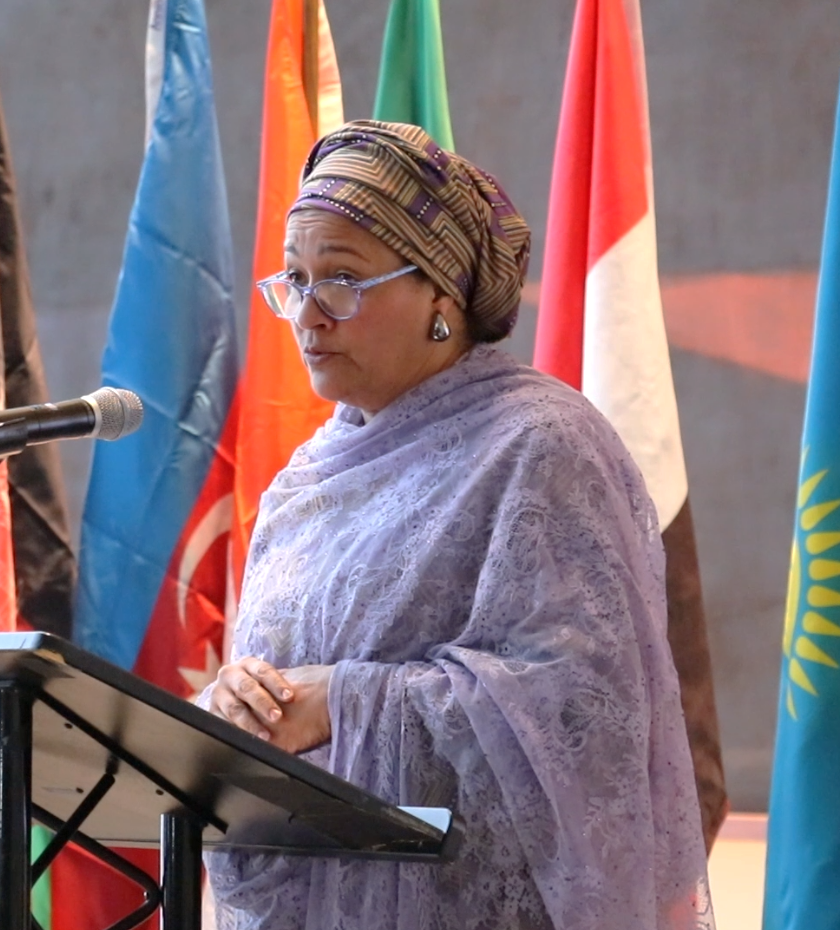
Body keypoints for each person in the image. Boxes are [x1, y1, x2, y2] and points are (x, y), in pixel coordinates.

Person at [199, 121, 712, 930]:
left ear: (440, 298)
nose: (306, 314)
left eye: (342, 279)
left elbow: (585, 709)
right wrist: (238, 702)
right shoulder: (304, 478)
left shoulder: (538, 443)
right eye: (294, 279)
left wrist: (348, 703)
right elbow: (280, 689)